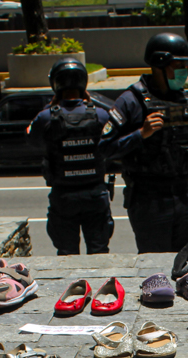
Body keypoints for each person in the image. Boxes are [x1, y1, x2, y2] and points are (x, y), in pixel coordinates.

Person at [101, 32, 188, 253]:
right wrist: (141, 134)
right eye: (178, 65)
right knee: (155, 268)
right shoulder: (130, 101)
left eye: (185, 65)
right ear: (160, 64)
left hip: (183, 195)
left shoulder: (183, 100)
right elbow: (105, 148)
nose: (183, 72)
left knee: (187, 263)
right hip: (149, 199)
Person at [27, 58, 114, 255]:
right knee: (99, 252)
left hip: (63, 196)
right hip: (95, 194)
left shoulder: (46, 116)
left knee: (66, 253)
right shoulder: (100, 114)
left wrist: (49, 109)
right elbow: (113, 143)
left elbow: (32, 140)